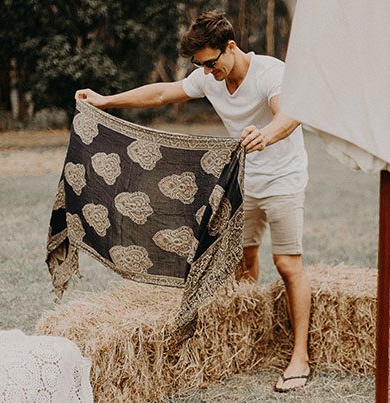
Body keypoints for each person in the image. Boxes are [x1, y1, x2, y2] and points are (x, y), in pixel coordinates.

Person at [75, 11, 312, 392]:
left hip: (283, 179)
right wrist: (106, 101)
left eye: (211, 63)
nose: (206, 72)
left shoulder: (270, 73)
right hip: (241, 181)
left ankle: (300, 355)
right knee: (241, 261)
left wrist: (266, 135)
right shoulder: (209, 76)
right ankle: (248, 338)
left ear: (230, 47)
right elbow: (160, 93)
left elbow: (291, 113)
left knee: (287, 264)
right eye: (200, 65)